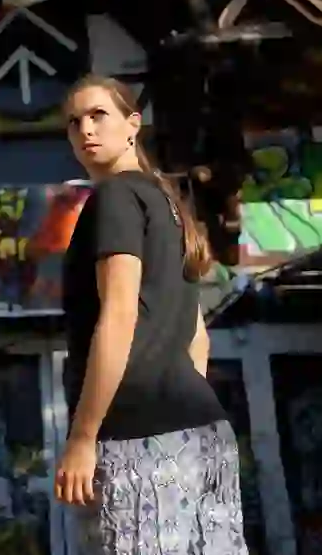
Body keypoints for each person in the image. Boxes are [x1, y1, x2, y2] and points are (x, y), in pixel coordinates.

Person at [55, 75, 248, 554]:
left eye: (99, 115)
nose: (85, 129)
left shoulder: (116, 197)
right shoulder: (168, 204)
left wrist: (83, 436)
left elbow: (119, 315)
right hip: (204, 430)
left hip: (138, 435)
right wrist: (180, 398)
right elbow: (196, 335)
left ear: (132, 125)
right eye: (74, 122)